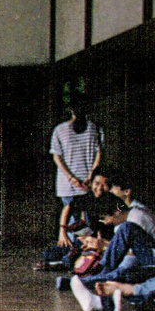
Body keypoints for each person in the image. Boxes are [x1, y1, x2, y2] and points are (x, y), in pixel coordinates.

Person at [49, 105, 103, 252]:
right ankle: (76, 252)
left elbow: (57, 157)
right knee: (81, 219)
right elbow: (99, 153)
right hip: (82, 181)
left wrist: (75, 177)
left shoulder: (61, 129)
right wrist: (89, 175)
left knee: (78, 219)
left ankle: (78, 252)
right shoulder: (94, 128)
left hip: (76, 182)